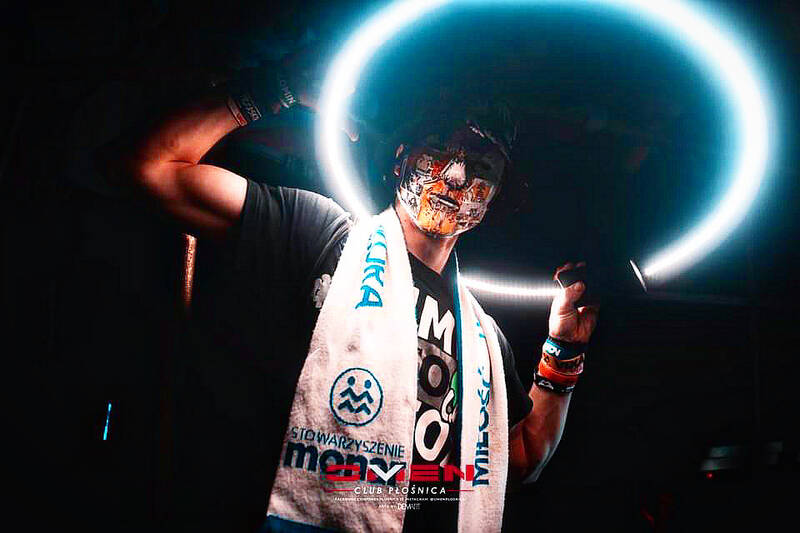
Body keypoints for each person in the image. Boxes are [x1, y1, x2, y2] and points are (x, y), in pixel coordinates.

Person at [119, 61, 598, 532]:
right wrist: (273, 89)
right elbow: (154, 168)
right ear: (401, 158)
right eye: (440, 148)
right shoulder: (320, 234)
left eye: (481, 165)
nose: (456, 175)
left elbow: (519, 456)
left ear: (493, 197)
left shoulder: (484, 339)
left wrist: (565, 348)